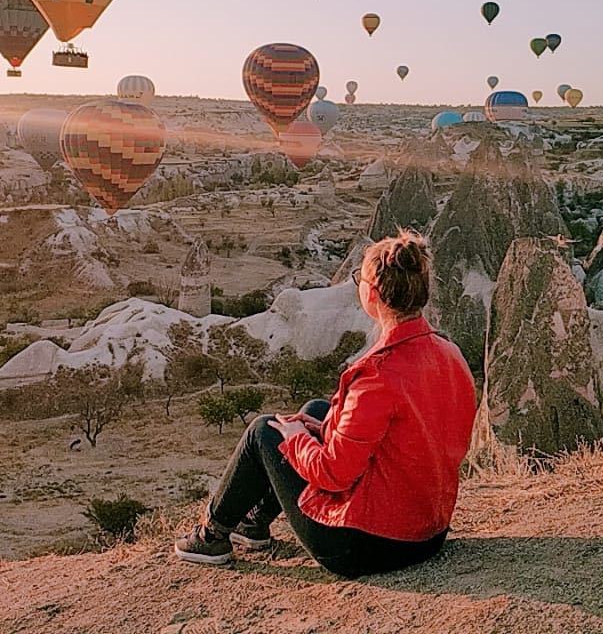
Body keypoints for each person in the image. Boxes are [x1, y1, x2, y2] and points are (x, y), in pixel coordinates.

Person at [174, 231, 477, 578]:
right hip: (428, 529)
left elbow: (332, 474)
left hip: (367, 546)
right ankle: (253, 523)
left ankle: (211, 535)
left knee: (264, 432)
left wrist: (295, 438)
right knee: (317, 410)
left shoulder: (378, 376)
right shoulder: (447, 352)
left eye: (359, 279)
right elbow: (409, 435)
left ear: (373, 294)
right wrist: (313, 428)